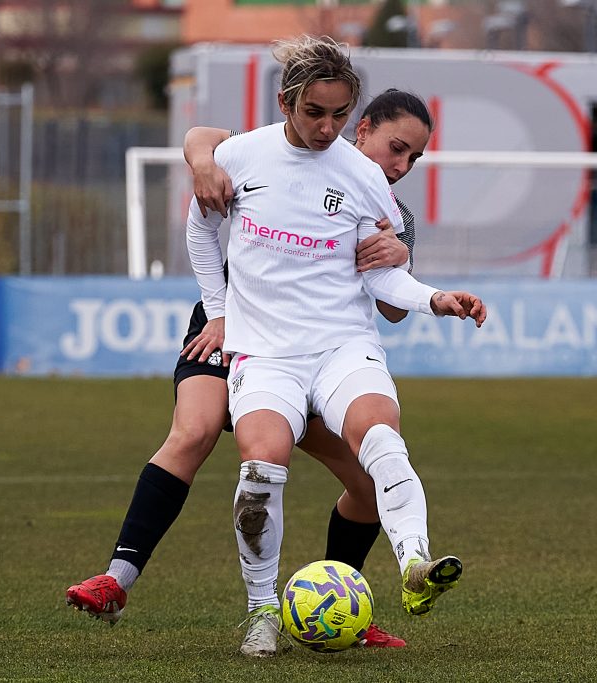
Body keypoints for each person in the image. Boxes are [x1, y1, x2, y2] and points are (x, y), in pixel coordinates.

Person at [64, 92, 428, 647]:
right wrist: (205, 164)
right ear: (363, 128)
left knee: (367, 482)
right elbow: (200, 138)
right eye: (396, 148)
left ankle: (338, 604)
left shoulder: (390, 212)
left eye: (412, 160)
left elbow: (394, 309)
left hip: (314, 353)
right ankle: (116, 581)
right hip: (230, 326)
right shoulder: (283, 149)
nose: (400, 166)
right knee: (196, 429)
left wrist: (400, 254)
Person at [184, 35, 486, 658]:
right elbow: (199, 233)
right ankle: (263, 613)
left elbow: (383, 278)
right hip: (265, 353)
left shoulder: (364, 178)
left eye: (339, 114)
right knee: (260, 468)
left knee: (381, 436)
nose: (327, 127)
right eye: (315, 113)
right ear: (287, 102)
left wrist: (435, 298)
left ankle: (416, 566)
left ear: (354, 111)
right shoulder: (240, 156)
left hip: (343, 345)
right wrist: (218, 316)